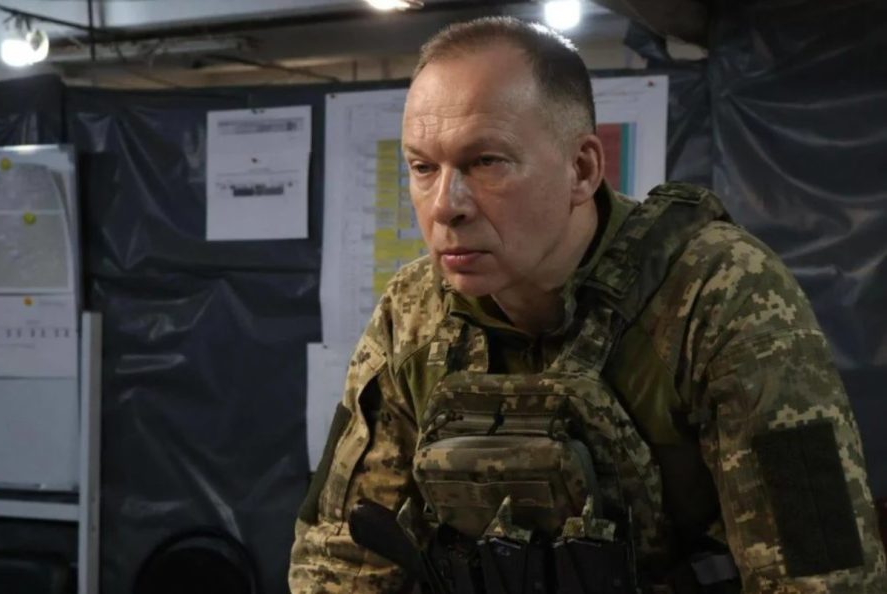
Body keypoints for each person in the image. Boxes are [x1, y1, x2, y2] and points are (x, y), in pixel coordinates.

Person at [289, 17, 887, 594]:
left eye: (486, 162)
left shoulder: (719, 291)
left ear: (581, 169)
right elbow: (338, 558)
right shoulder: (413, 311)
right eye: (423, 167)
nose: (446, 205)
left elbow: (819, 571)